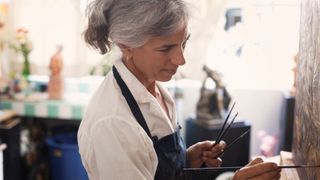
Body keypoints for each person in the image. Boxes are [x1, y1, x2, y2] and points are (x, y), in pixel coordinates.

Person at [77, 0, 281, 179]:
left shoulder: (153, 89)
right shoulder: (114, 124)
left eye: (183, 43)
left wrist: (186, 160)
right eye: (165, 49)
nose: (181, 60)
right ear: (126, 46)